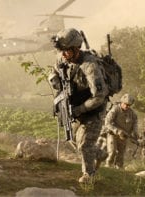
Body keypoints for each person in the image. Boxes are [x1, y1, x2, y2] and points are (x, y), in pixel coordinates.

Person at [48, 28, 109, 183]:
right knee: (73, 140)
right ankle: (100, 154)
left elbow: (99, 96)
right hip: (75, 108)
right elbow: (53, 71)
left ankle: (89, 175)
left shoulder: (90, 66)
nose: (63, 54)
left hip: (93, 109)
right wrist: (55, 80)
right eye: (61, 50)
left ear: (76, 48)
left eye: (66, 51)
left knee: (85, 144)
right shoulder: (62, 58)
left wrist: (79, 110)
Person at [103, 93, 138, 169]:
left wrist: (135, 132)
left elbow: (135, 123)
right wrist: (117, 131)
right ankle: (108, 166)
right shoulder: (115, 109)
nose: (126, 106)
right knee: (112, 152)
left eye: (128, 105)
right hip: (112, 134)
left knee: (121, 154)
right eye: (125, 104)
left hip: (124, 136)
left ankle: (119, 169)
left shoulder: (132, 113)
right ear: (121, 102)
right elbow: (107, 123)